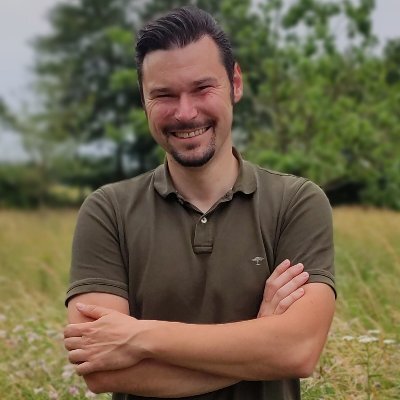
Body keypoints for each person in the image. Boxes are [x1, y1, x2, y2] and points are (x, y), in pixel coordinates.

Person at [64, 6, 335, 400]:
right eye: (164, 95)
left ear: (235, 83)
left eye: (202, 88)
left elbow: (297, 352)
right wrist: (260, 341)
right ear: (143, 99)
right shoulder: (108, 211)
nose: (185, 112)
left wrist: (139, 336)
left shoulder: (296, 203)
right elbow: (102, 373)